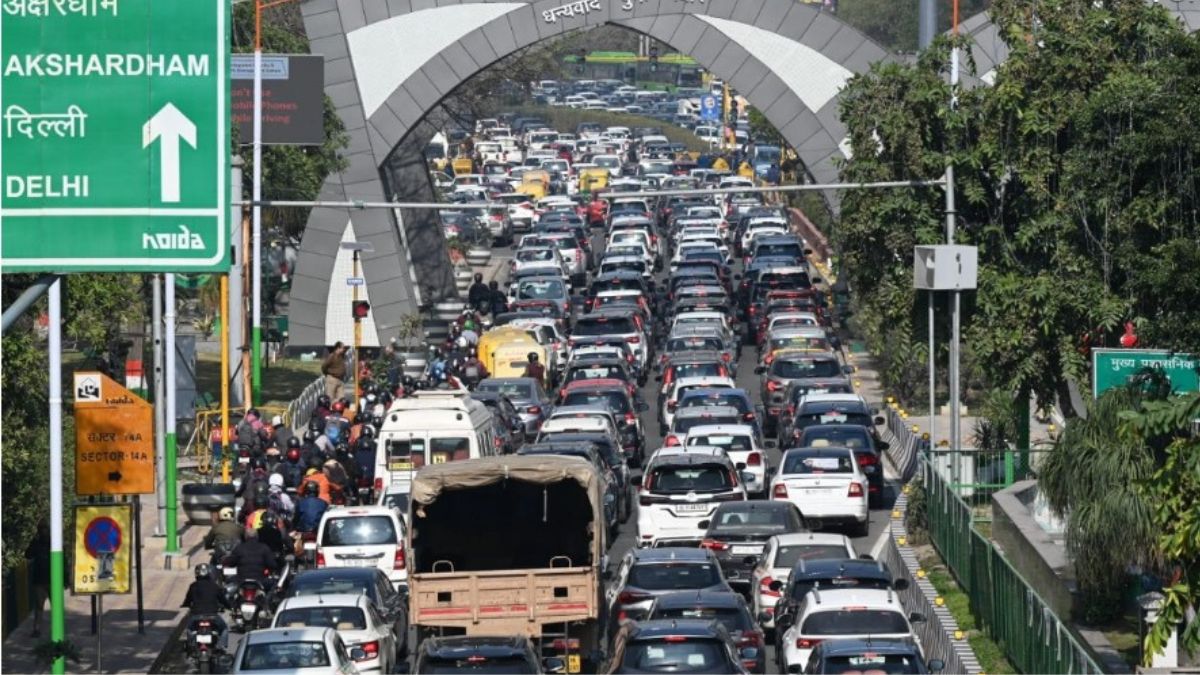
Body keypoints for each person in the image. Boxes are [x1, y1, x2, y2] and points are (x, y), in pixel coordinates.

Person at [181, 564, 231, 650]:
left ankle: (191, 645)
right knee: (224, 629)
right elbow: (223, 599)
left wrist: (185, 604)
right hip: (213, 615)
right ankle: (220, 646)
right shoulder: (215, 586)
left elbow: (188, 599)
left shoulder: (193, 586)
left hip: (196, 615)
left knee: (189, 629)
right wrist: (229, 606)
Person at [25, 520, 50, 637]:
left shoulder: (53, 542)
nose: (43, 531)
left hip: (51, 579)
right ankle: (37, 629)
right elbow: (28, 554)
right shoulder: (36, 542)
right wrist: (34, 543)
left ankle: (56, 628)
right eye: (41, 529)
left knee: (55, 606)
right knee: (39, 606)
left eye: (45, 529)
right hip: (39, 580)